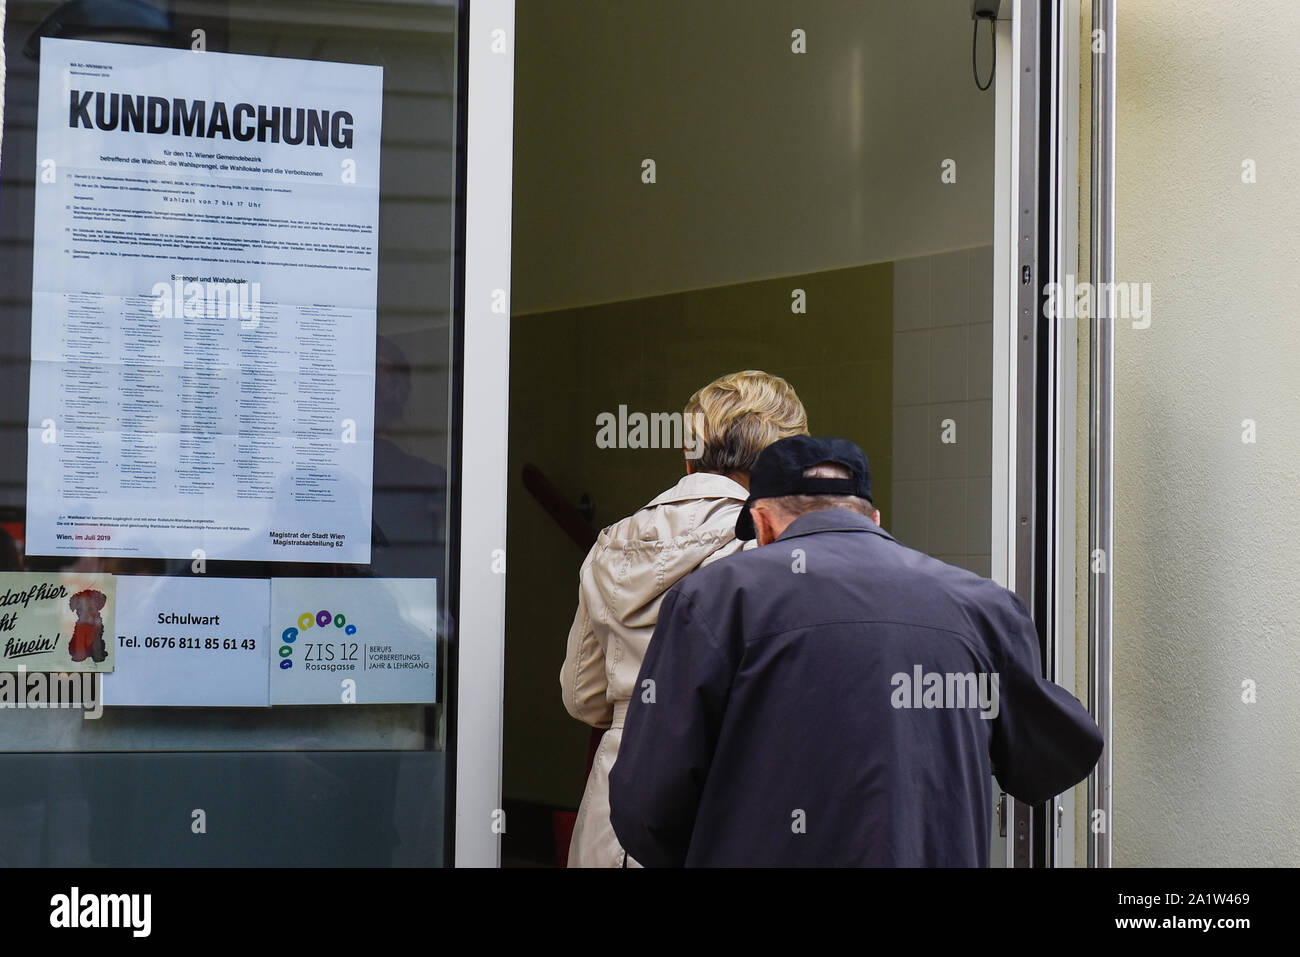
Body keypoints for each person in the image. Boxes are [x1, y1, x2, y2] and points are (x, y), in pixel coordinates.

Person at [608, 435, 1104, 867]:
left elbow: (646, 806)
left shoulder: (715, 599)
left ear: (763, 524)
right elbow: (1056, 756)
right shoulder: (981, 607)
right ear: (874, 518)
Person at [559, 370, 809, 868]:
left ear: (688, 453)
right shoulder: (770, 550)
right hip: (724, 807)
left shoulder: (611, 541)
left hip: (615, 814)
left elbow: (582, 696)